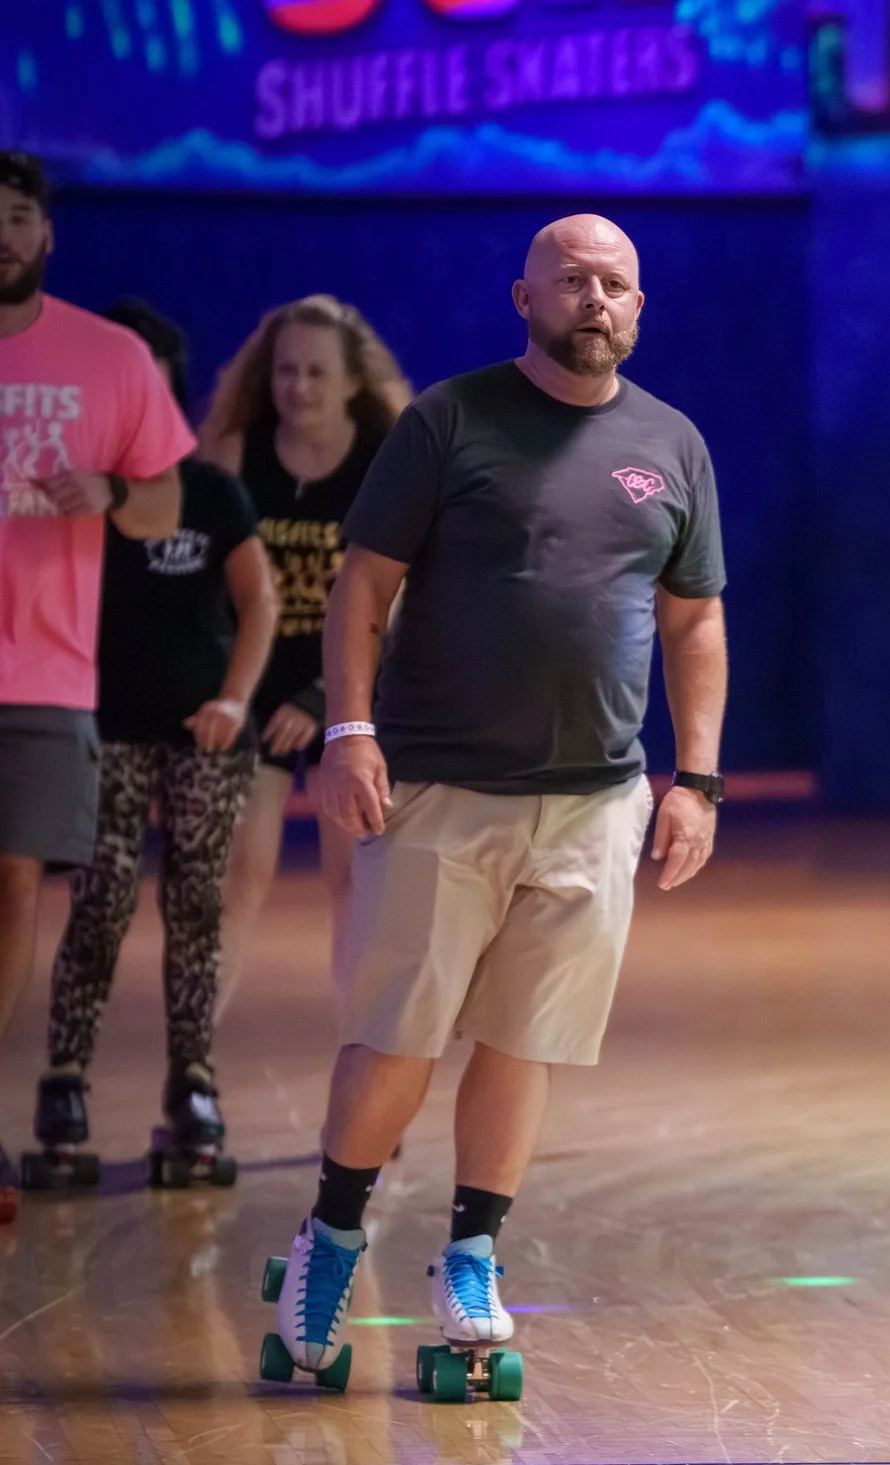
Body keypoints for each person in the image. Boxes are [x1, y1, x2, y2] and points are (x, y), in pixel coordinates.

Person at [263, 214, 728, 1392]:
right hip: (439, 787)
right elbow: (365, 584)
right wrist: (352, 729)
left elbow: (694, 620)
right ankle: (328, 1236)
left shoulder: (671, 443)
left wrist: (700, 778)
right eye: (572, 280)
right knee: (397, 1039)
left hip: (594, 804)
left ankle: (471, 1252)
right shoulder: (448, 421)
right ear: (522, 295)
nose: (596, 299)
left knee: (526, 1040)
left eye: (616, 283)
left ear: (641, 304)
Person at [34, 300, 277, 1191]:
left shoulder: (212, 492)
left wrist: (232, 699)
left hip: (202, 730)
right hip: (104, 725)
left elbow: (260, 604)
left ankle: (193, 1083)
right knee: (96, 906)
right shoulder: (75, 490)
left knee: (196, 906)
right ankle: (64, 1082)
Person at [0, 152, 192, 1220]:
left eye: (17, 215)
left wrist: (111, 486)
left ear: (47, 232)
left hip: (42, 669)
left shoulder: (108, 356)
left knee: (15, 882)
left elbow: (165, 506)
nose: (2, 233)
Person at [200, 295, 411, 1010]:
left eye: (318, 372)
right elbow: (200, 591)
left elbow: (403, 598)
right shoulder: (232, 457)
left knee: (354, 882)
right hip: (255, 690)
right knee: (235, 878)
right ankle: (190, 1074)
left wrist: (323, 696)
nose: (300, 387)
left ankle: (365, 1068)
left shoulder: (388, 459)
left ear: (352, 381)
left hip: (353, 696)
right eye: (287, 371)